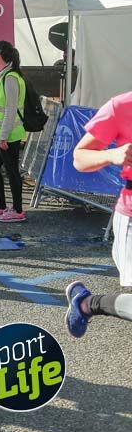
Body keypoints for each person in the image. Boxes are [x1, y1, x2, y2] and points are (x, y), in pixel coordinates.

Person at [66, 90, 132, 336]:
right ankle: (87, 304)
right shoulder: (121, 106)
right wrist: (112, 154)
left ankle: (86, 304)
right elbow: (79, 158)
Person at [0, 40, 27, 223]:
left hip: (8, 135)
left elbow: (10, 109)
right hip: (1, 134)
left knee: (11, 171)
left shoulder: (10, 78)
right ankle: (1, 205)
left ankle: (17, 210)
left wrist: (3, 136)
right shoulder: (4, 75)